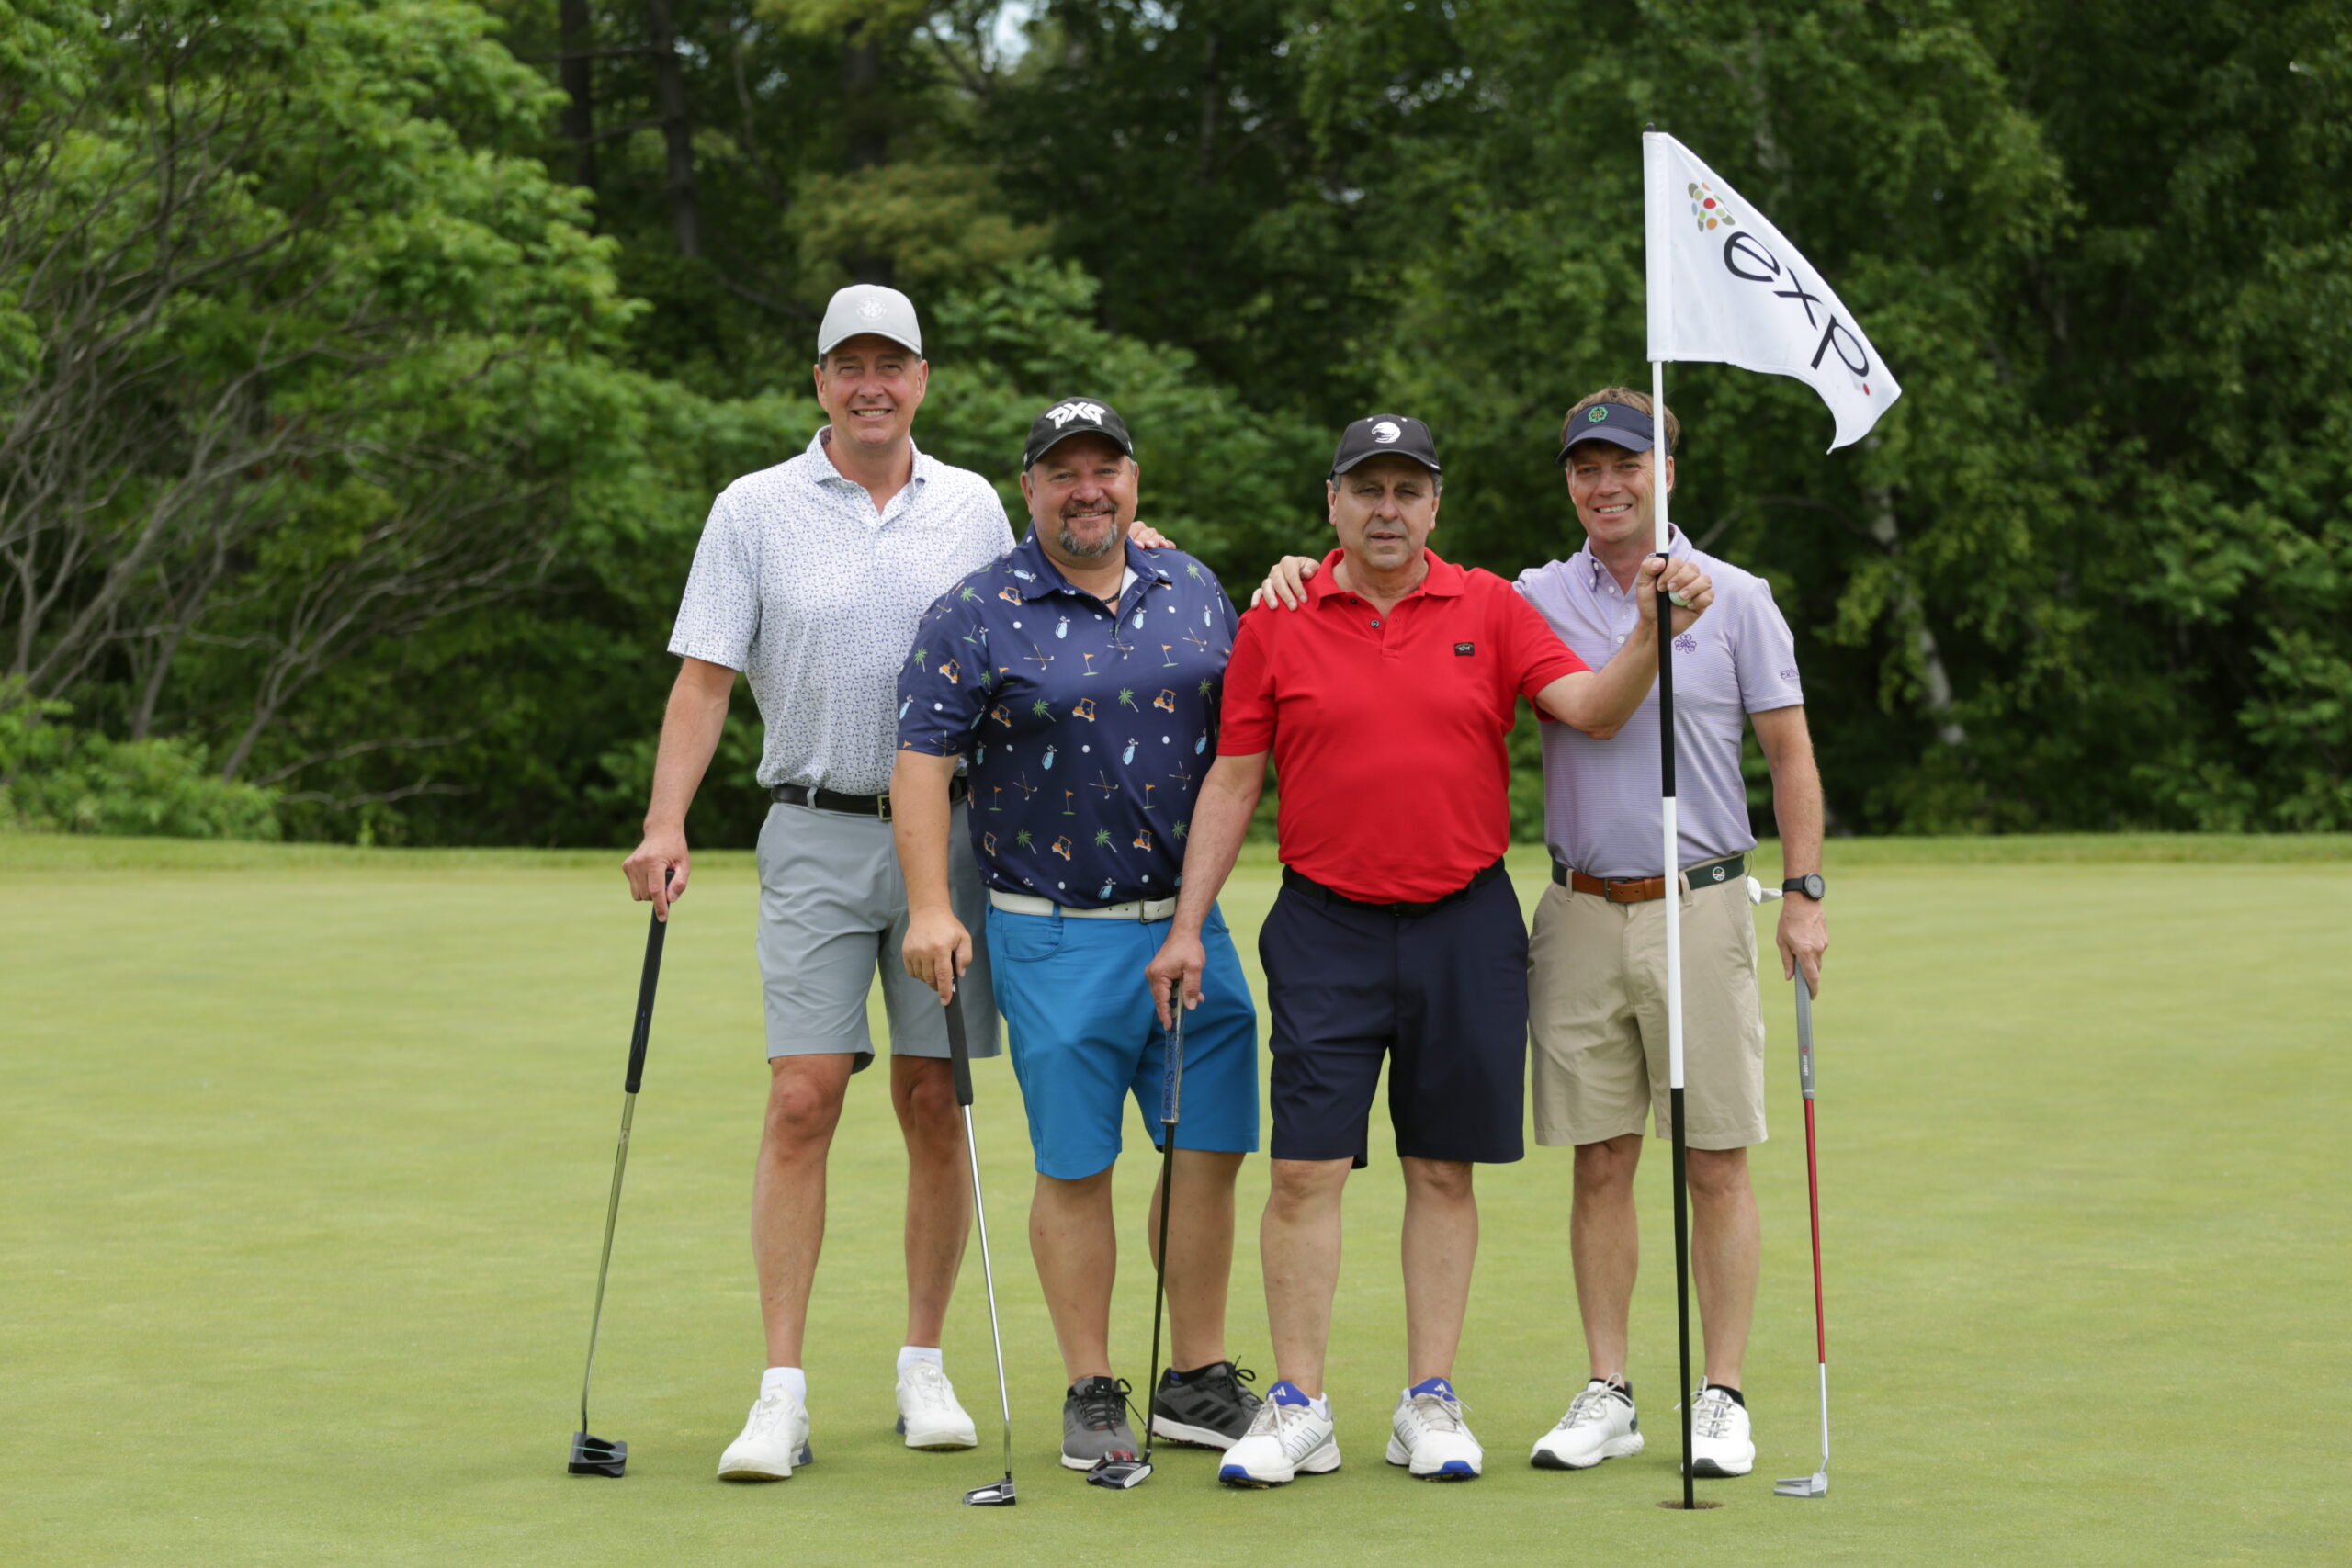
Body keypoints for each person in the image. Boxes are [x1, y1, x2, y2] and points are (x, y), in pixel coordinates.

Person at [619, 288, 1166, 1483]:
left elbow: (1062, 583)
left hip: (954, 839)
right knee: (805, 1094)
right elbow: (705, 678)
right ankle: (782, 1388)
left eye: (893, 363)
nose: (872, 383)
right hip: (812, 826)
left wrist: (1155, 554)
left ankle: (924, 1359)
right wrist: (666, 818)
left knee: (935, 1097)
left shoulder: (972, 502)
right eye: (848, 364)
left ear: (923, 377)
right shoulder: (752, 508)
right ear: (819, 380)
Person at [1144, 414, 1713, 1487]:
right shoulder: (1279, 617)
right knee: (1306, 1168)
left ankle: (1428, 1402)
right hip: (1324, 924)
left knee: (1440, 1168)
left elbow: (1590, 709)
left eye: (1407, 490)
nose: (1387, 510)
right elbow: (1233, 777)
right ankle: (1299, 1403)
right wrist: (1186, 924)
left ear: (1435, 505)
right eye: (1367, 490)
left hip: (1464, 922)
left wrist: (1650, 636)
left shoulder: (1490, 607)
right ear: (1332, 504)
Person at [890, 398, 1263, 1476]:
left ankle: (1194, 1380)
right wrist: (928, 904)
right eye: (1063, 472)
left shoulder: (1190, 585)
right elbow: (921, 766)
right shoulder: (974, 611)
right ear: (1030, 489)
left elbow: (1240, 737)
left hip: (1191, 927)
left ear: (1134, 482)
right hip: (1052, 932)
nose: (1086, 489)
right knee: (1075, 1163)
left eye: (1105, 469)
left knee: (1208, 1149)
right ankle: (1094, 1387)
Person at [1516, 389, 1826, 1480]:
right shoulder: (1533, 595)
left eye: (1627, 464)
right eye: (1586, 468)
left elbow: (1787, 753)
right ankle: (1609, 1389)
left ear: (1667, 472)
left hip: (1698, 900)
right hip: (1578, 905)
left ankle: (1723, 1394)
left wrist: (1804, 891)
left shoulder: (1736, 597)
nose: (1606, 485)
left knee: (1714, 1160)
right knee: (1598, 1160)